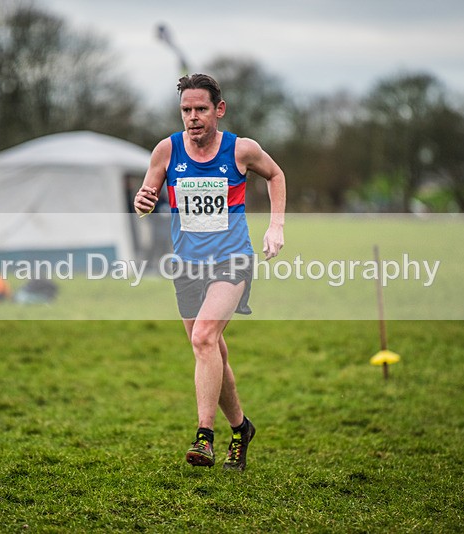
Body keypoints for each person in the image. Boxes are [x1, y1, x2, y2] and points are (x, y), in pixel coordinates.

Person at [134, 74, 286, 471]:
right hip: (187, 265)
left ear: (219, 110)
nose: (193, 117)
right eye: (186, 110)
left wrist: (276, 226)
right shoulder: (166, 150)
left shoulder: (241, 149)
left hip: (232, 260)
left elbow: (276, 175)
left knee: (203, 338)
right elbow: (146, 197)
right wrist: (142, 201)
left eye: (201, 109)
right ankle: (241, 428)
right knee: (211, 349)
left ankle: (204, 437)